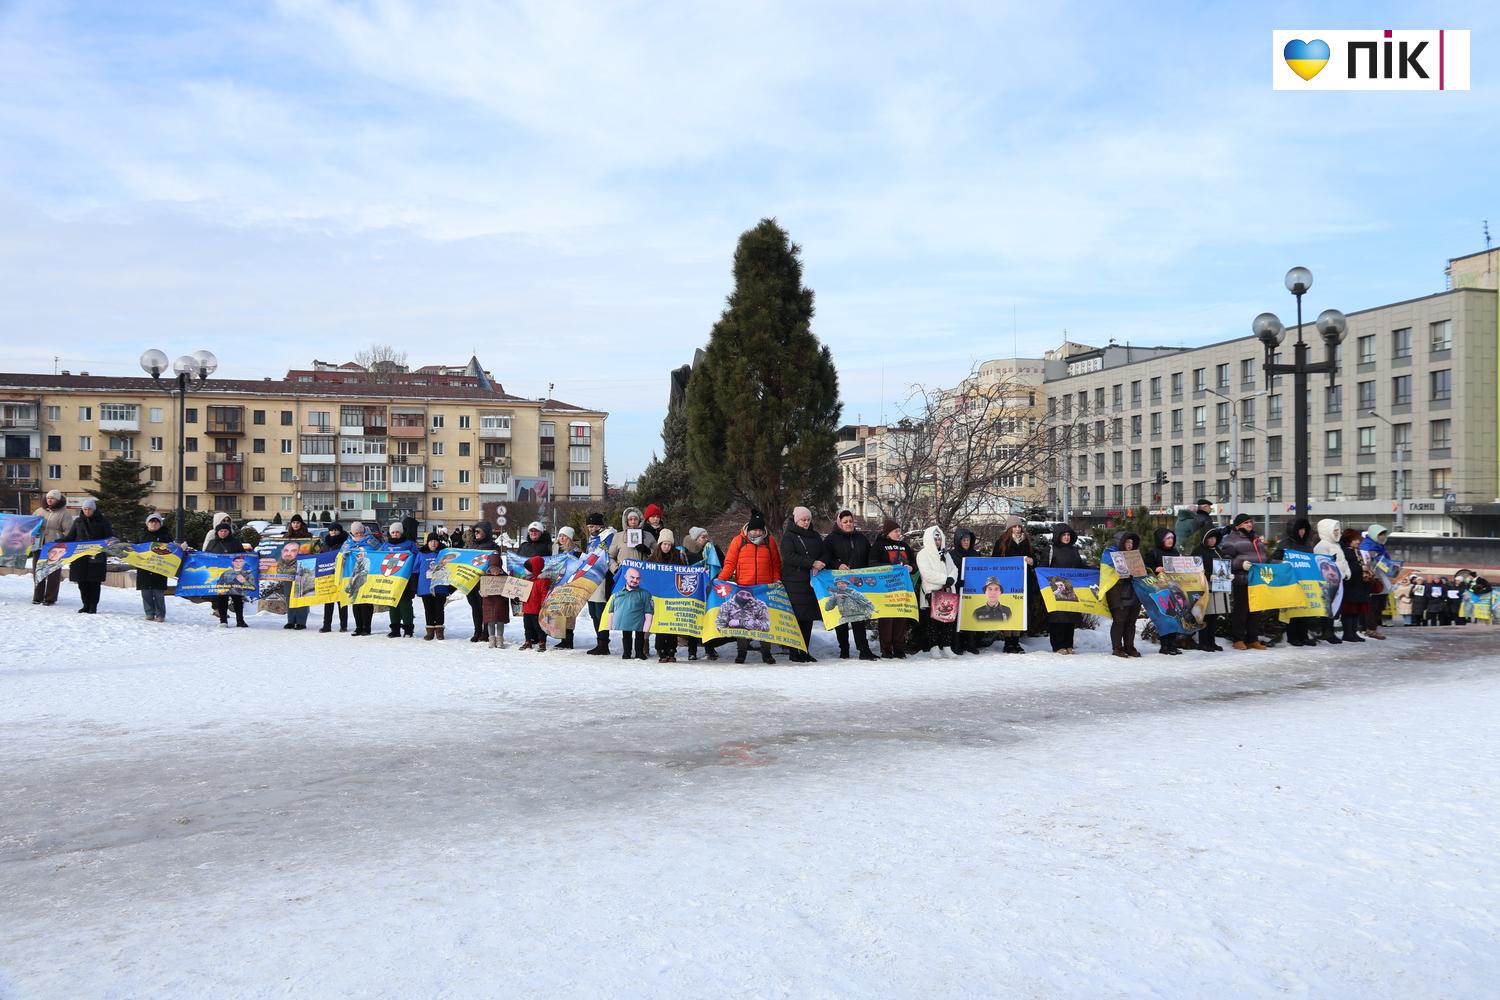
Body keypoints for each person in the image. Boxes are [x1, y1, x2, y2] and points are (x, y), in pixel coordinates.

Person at [716, 509, 783, 664]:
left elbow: (776, 564)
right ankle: (741, 652)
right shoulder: (738, 541)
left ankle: (766, 653)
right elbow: (730, 564)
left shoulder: (769, 541)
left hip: (764, 588)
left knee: (763, 620)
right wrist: (720, 580)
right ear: (749, 528)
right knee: (741, 620)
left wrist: (776, 581)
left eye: (760, 529)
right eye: (755, 529)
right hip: (744, 589)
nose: (757, 532)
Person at [823, 509, 878, 661]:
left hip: (858, 583)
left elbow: (870, 558)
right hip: (838, 583)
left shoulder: (861, 538)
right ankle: (844, 649)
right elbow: (825, 558)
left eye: (850, 521)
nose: (848, 524)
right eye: (845, 521)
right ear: (839, 522)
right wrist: (837, 564)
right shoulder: (830, 539)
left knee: (858, 616)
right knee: (841, 616)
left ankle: (863, 649)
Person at [780, 506, 828, 663]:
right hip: (794, 582)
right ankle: (794, 651)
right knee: (797, 618)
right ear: (796, 520)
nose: (806, 522)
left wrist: (821, 562)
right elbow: (789, 556)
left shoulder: (815, 535)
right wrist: (811, 562)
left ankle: (805, 650)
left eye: (808, 520)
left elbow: (824, 552)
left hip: (811, 583)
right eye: (803, 520)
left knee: (808, 618)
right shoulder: (789, 536)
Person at [1219, 512, 1269, 650]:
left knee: (1256, 610)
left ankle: (1253, 639)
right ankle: (1238, 639)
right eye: (1246, 522)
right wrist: (1240, 565)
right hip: (1242, 579)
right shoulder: (1231, 539)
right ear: (1238, 525)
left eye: (1250, 522)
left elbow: (1264, 558)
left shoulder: (1255, 538)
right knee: (1241, 610)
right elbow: (1226, 561)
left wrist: (1277, 563)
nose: (1249, 524)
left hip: (1257, 580)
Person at [872, 519, 915, 659]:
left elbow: (914, 563)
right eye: (896, 531)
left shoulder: (904, 546)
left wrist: (912, 568)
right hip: (885, 589)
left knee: (901, 618)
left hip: (903, 588)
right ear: (888, 532)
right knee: (887, 618)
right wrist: (891, 567)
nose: (899, 533)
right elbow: (872, 563)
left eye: (899, 531)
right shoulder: (878, 546)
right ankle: (886, 649)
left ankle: (899, 648)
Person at [994, 521, 1038, 654]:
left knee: (1019, 611)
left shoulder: (1026, 542)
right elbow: (994, 560)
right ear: (1009, 528)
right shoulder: (1001, 542)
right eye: (1015, 526)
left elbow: (1034, 559)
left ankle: (1016, 642)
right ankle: (1008, 642)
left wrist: (1032, 561)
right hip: (1006, 582)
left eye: (1019, 526)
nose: (1018, 529)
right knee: (1008, 611)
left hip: (1023, 582)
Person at [62, 497, 112, 614]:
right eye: (85, 509)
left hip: (96, 557)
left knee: (94, 583)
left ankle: (93, 605)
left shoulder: (103, 521)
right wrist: (57, 542)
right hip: (80, 557)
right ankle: (85, 604)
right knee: (82, 582)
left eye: (89, 509)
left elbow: (109, 538)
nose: (87, 511)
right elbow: (70, 537)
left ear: (94, 510)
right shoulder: (78, 522)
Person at [915, 525, 958, 659]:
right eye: (935, 539)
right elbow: (926, 573)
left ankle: (947, 646)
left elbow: (954, 568)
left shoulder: (945, 553)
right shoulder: (923, 554)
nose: (937, 541)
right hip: (932, 591)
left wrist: (952, 578)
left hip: (947, 590)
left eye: (939, 538)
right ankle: (934, 647)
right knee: (932, 621)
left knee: (948, 620)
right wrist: (945, 579)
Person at [1044, 523, 1085, 654]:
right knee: (1058, 618)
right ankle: (1057, 646)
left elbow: (1081, 566)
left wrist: (1095, 571)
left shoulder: (1074, 550)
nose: (1067, 537)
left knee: (1070, 617)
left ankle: (1068, 644)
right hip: (1055, 588)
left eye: (1068, 535)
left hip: (1071, 588)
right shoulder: (1051, 549)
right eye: (1064, 535)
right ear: (1058, 536)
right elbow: (1043, 568)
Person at [682, 526, 722, 661]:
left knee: (707, 618)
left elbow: (721, 562)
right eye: (703, 537)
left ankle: (709, 648)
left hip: (707, 588)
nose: (706, 539)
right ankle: (691, 650)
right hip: (692, 589)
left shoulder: (710, 549)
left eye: (707, 537)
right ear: (695, 539)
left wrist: (715, 549)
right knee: (693, 619)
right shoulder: (686, 552)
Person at [1278, 518, 1318, 647]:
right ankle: (1292, 636)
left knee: (1305, 610)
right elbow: (1274, 559)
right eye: (1300, 529)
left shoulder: (1307, 544)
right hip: (1291, 581)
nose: (1302, 532)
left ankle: (1303, 635)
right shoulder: (1286, 543)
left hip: (1306, 581)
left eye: (1304, 529)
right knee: (1293, 610)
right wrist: (1283, 563)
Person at [1143, 528, 1184, 655]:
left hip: (1174, 589)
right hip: (1159, 591)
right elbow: (1144, 570)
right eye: (1167, 538)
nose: (1170, 540)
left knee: (1175, 617)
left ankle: (1172, 643)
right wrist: (1156, 569)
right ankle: (1165, 645)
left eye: (1172, 538)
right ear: (1161, 540)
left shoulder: (1175, 552)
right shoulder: (1153, 553)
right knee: (1164, 617)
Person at [648, 529, 687, 662]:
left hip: (672, 595)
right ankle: (660, 649)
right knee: (660, 623)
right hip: (658, 595)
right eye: (664, 544)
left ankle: (671, 649)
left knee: (671, 623)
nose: (666, 547)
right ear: (660, 544)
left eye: (669, 544)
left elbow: (684, 573)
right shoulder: (653, 558)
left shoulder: (677, 557)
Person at [31, 489, 74, 606]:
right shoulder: (39, 511)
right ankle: (38, 596)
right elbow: (30, 525)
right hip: (39, 544)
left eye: (53, 498)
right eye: (48, 498)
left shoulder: (64, 513)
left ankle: (50, 597)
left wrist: (61, 542)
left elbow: (68, 531)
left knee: (53, 572)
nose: (50, 500)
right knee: (38, 570)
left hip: (55, 545)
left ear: (58, 500)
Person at [1104, 531, 1142, 658]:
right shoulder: (1109, 553)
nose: (1130, 545)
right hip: (1117, 593)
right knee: (1119, 621)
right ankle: (1117, 647)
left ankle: (1129, 646)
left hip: (1133, 592)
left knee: (1131, 622)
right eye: (1127, 542)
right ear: (1120, 542)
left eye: (1131, 542)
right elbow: (1112, 568)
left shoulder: (1134, 555)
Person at [204, 518, 248, 627]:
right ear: (217, 532)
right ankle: (223, 621)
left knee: (237, 598)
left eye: (225, 531)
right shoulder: (212, 543)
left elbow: (244, 557)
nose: (223, 533)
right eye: (221, 531)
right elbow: (206, 557)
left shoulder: (235, 542)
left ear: (229, 532)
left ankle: (240, 620)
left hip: (235, 575)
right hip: (220, 576)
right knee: (222, 598)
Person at [1312, 518, 1349, 644]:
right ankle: (1326, 632)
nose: (1338, 533)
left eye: (1339, 530)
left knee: (1335, 608)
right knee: (1328, 608)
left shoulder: (1336, 545)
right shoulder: (1321, 546)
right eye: (1335, 530)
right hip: (1328, 583)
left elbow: (1342, 561)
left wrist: (1346, 571)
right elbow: (1324, 564)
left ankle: (1330, 631)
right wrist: (1340, 572)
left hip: (1338, 582)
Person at [1191, 527, 1229, 651]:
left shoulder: (1218, 550)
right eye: (1210, 538)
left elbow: (1223, 567)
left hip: (1218, 586)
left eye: (1215, 538)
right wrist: (1207, 576)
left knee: (1214, 615)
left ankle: (1211, 641)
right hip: (1204, 586)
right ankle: (1203, 642)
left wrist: (1228, 576)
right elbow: (1194, 569)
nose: (1213, 541)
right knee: (1206, 615)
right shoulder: (1198, 551)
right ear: (1205, 539)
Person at [583, 512, 614, 656]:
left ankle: (603, 642)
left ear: (600, 525)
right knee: (593, 612)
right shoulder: (592, 539)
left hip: (602, 578)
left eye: (593, 526)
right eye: (589, 526)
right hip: (591, 577)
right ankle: (599, 642)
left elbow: (607, 555)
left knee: (600, 612)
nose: (590, 529)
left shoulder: (607, 536)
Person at [465, 520, 501, 643]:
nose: (476, 533)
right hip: (471, 582)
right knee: (475, 607)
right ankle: (477, 631)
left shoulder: (493, 547)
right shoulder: (471, 547)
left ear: (486, 532)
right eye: (475, 531)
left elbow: (496, 563)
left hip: (485, 582)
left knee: (485, 607)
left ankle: (486, 632)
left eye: (478, 531)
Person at [383, 522, 420, 638]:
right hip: (390, 579)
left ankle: (408, 629)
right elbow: (378, 558)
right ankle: (395, 629)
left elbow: (416, 559)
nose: (395, 534)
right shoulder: (385, 546)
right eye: (393, 532)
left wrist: (414, 577)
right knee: (393, 604)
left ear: (401, 532)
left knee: (405, 604)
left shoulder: (410, 544)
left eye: (397, 532)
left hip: (405, 579)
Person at [135, 512, 173, 622]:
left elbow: (172, 550)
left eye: (156, 522)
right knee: (146, 592)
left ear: (160, 524)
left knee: (158, 593)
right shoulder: (141, 536)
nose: (154, 524)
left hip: (159, 568)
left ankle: (160, 614)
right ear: (147, 524)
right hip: (144, 568)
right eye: (151, 522)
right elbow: (135, 549)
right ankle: (149, 613)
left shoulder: (165, 536)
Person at [610, 565, 654, 661]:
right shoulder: (618, 594)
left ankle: (639, 652)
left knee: (640, 636)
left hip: (639, 622)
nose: (635, 580)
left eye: (637, 578)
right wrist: (610, 624)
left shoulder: (645, 594)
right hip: (625, 621)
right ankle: (627, 652)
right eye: (632, 577)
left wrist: (647, 626)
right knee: (626, 635)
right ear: (626, 577)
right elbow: (612, 610)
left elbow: (649, 611)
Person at [1357, 524, 1394, 638]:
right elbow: (1364, 562)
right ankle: (1369, 628)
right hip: (1371, 580)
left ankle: (1371, 628)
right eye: (1380, 534)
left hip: (1381, 579)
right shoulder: (1366, 546)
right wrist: (1374, 559)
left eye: (1384, 534)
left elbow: (1386, 561)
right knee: (1372, 606)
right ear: (1374, 534)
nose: (1383, 537)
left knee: (1379, 606)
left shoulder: (1380, 547)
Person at [949, 529, 982, 655]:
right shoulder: (952, 555)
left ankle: (970, 642)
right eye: (964, 540)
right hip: (957, 589)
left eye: (968, 540)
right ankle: (956, 643)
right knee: (956, 617)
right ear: (958, 541)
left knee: (970, 615)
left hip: (972, 590)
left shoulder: (975, 554)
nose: (966, 542)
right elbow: (950, 571)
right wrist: (957, 583)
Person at [1335, 527, 1370, 642]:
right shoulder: (1346, 552)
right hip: (1350, 586)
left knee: (1355, 611)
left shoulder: (1355, 551)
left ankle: (1353, 632)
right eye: (1355, 539)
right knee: (1349, 611)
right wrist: (1361, 568)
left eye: (1358, 539)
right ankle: (1348, 633)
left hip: (1357, 586)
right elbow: (1348, 569)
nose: (1358, 542)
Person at [345, 521, 380, 637]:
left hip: (368, 575)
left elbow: (380, 553)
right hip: (353, 575)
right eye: (356, 532)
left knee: (365, 601)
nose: (359, 534)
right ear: (352, 532)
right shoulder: (348, 543)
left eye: (360, 532)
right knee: (356, 601)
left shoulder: (371, 541)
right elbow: (340, 557)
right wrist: (344, 555)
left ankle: (366, 627)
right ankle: (358, 626)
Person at [317, 521, 350, 633]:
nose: (333, 532)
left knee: (342, 601)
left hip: (341, 574)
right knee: (328, 600)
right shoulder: (326, 543)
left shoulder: (345, 543)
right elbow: (322, 556)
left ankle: (343, 625)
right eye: (331, 530)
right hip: (328, 575)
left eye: (336, 530)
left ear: (340, 531)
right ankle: (326, 625)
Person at [419, 531, 452, 640]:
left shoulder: (444, 553)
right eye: (431, 541)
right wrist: (414, 585)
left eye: (435, 541)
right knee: (428, 609)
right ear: (427, 543)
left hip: (440, 586)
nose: (433, 543)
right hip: (425, 587)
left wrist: (451, 585)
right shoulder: (421, 553)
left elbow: (452, 568)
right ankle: (429, 631)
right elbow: (415, 570)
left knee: (439, 608)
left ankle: (439, 630)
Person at [519, 555, 551, 651]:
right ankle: (528, 641)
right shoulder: (526, 580)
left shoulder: (542, 580)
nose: (526, 571)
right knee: (527, 627)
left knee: (540, 627)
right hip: (527, 608)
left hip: (537, 609)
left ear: (534, 569)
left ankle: (542, 642)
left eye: (528, 569)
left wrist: (543, 606)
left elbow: (544, 594)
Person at [481, 552, 510, 648]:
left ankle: (500, 639)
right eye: (493, 569)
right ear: (489, 569)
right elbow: (480, 589)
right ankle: (492, 639)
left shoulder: (505, 577)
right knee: (491, 621)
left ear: (500, 568)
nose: (495, 571)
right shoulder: (485, 578)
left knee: (500, 621)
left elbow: (511, 589)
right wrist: (482, 593)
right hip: (489, 602)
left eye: (497, 569)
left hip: (501, 602)